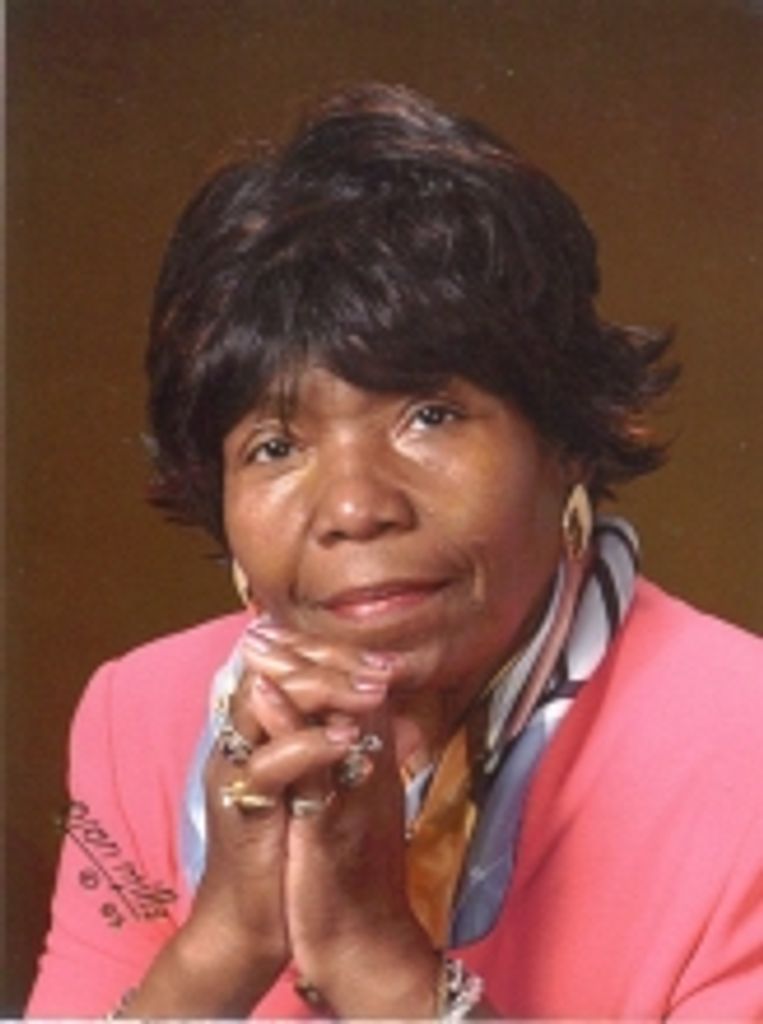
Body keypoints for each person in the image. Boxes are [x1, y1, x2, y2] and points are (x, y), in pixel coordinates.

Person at [28, 83, 762, 1020]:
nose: (354, 508)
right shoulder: (139, 715)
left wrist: (374, 959)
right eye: (275, 446)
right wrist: (225, 942)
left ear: (565, 437)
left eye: (429, 415)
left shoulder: (744, 747)